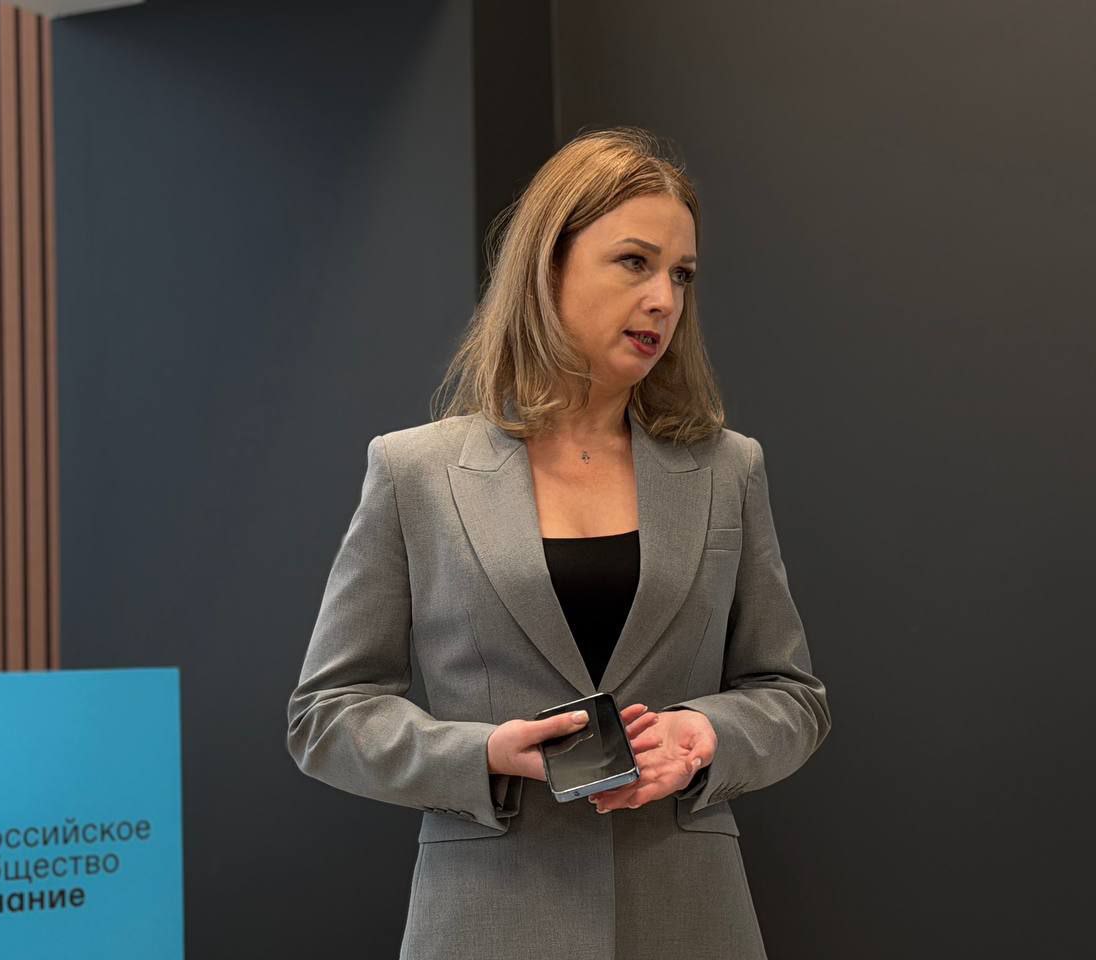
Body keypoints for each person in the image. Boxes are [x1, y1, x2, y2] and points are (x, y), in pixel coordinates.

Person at [286, 126, 832, 959]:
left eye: (681, 275)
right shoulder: (415, 471)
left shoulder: (727, 469)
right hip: (489, 922)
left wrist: (704, 735)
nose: (664, 299)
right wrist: (484, 753)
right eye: (635, 262)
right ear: (548, 266)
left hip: (689, 919)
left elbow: (791, 695)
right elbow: (328, 716)